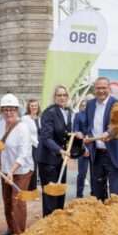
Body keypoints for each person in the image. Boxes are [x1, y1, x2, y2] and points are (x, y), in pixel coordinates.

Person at [0, 94, 34, 235]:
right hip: (5, 169)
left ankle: (19, 233)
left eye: (12, 109)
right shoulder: (0, 125)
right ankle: (11, 229)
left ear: (17, 110)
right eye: (5, 109)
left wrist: (12, 171)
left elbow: (24, 154)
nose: (8, 112)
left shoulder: (23, 128)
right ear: (1, 111)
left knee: (18, 201)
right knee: (7, 201)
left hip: (21, 171)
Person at [83, 77, 118, 200]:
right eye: (98, 88)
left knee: (115, 195)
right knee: (97, 194)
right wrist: (87, 136)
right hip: (97, 155)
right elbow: (88, 126)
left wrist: (109, 133)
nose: (101, 91)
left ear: (109, 88)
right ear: (94, 89)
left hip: (114, 154)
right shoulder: (90, 104)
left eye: (104, 88)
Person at [37, 85, 75, 217]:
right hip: (48, 160)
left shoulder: (68, 112)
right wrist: (59, 150)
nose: (62, 98)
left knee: (60, 191)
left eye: (65, 95)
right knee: (50, 195)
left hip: (61, 159)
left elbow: (66, 135)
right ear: (54, 97)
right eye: (59, 95)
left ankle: (58, 220)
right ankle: (49, 222)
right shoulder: (49, 113)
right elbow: (46, 137)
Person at [74, 96, 93, 198]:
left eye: (87, 105)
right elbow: (76, 131)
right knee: (82, 173)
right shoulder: (78, 115)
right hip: (82, 147)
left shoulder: (94, 115)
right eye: (83, 105)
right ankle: (79, 195)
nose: (85, 107)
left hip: (94, 148)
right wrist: (83, 147)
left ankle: (94, 194)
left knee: (95, 174)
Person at [22, 99, 41, 190]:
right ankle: (31, 189)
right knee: (32, 167)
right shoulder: (25, 118)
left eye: (35, 106)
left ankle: (34, 188)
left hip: (40, 146)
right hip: (31, 146)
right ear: (29, 107)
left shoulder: (40, 118)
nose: (34, 107)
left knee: (38, 167)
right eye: (32, 106)